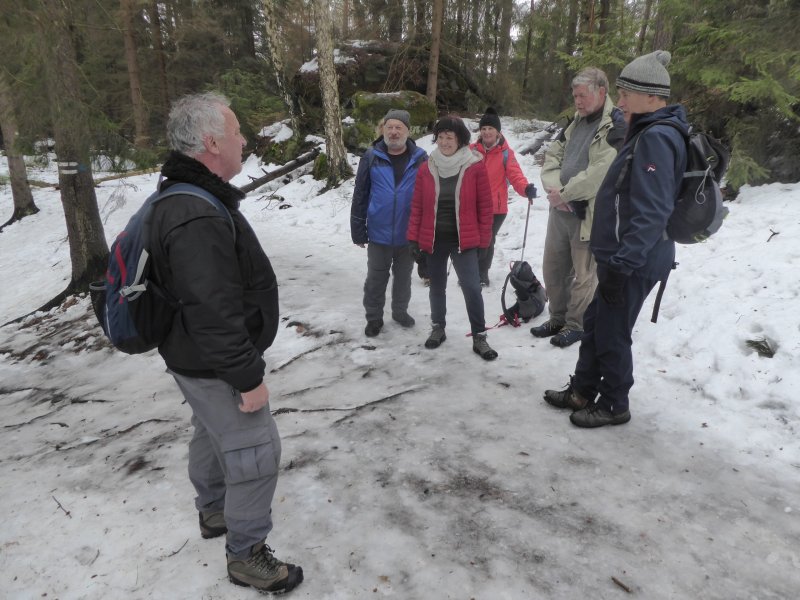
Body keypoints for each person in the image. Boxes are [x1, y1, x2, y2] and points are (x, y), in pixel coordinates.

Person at [147, 92, 303, 592]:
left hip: (192, 356)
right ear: (212, 142)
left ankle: (214, 512)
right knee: (255, 449)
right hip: (212, 360)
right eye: (236, 132)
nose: (243, 141)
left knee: (210, 434)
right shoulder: (195, 212)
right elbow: (211, 309)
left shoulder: (186, 194)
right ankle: (246, 555)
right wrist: (247, 376)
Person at [543, 51, 688, 427]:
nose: (619, 102)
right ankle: (582, 390)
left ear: (652, 96)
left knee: (612, 334)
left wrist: (622, 266)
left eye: (625, 94)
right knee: (595, 325)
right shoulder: (642, 130)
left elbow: (652, 212)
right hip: (618, 256)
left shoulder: (657, 138)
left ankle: (614, 404)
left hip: (633, 261)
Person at [533, 67, 626, 348]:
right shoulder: (574, 122)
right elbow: (551, 158)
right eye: (575, 96)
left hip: (588, 213)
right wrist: (555, 191)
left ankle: (576, 324)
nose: (577, 101)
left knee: (584, 273)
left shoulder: (615, 125)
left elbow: (601, 172)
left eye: (582, 96)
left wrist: (566, 193)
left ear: (601, 92)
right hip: (559, 210)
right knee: (553, 268)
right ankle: (557, 317)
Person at [407, 115, 498, 360]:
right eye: (441, 137)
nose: (445, 142)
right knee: (437, 286)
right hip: (435, 239)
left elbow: (485, 207)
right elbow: (417, 206)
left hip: (464, 240)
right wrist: (414, 239)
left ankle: (479, 335)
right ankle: (438, 328)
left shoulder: (474, 165)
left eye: (450, 137)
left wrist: (484, 241)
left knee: (471, 287)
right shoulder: (426, 167)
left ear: (460, 140)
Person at [351, 109, 428, 337]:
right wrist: (358, 229)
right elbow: (360, 194)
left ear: (407, 131)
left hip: (408, 234)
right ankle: (374, 317)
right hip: (378, 233)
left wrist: (424, 232)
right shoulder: (371, 156)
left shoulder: (421, 158)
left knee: (403, 278)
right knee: (376, 279)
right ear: (383, 129)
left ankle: (400, 311)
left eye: (398, 127)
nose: (393, 132)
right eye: (389, 127)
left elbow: (427, 197)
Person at [470, 107, 537, 287]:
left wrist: (526, 189)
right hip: (472, 205)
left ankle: (481, 274)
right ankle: (470, 272)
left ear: (498, 131)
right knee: (472, 238)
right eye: (483, 129)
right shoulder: (471, 150)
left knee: (487, 240)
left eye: (490, 129)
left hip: (495, 208)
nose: (486, 132)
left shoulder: (505, 153)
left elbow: (515, 176)